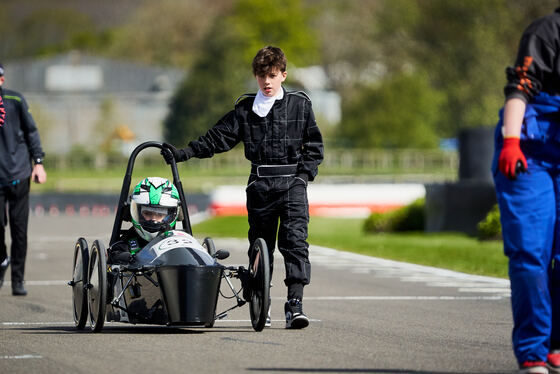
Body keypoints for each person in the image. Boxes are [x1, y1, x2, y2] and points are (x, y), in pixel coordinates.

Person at [161, 46, 324, 329]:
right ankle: (262, 300)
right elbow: (216, 139)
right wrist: (184, 153)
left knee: (295, 244)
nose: (267, 82)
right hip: (260, 186)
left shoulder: (301, 105)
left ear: (283, 75)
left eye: (272, 75)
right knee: (260, 248)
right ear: (255, 76)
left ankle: (295, 304)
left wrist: (303, 177)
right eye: (262, 76)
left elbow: (314, 146)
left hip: (292, 186)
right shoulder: (245, 110)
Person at [492, 8, 560, 374]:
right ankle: (533, 352)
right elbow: (520, 87)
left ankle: (556, 345)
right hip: (529, 149)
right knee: (532, 252)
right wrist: (512, 141)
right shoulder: (548, 31)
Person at [0, 62, 47, 296]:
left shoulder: (15, 101)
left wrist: (38, 163)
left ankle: (18, 280)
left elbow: (32, 132)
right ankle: (2, 261)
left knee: (19, 231)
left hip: (18, 174)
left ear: (1, 80)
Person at [109, 177, 180, 262]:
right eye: (147, 213)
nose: (153, 219)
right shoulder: (125, 245)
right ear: (137, 212)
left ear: (171, 215)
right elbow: (115, 256)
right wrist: (131, 259)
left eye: (160, 214)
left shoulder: (179, 241)